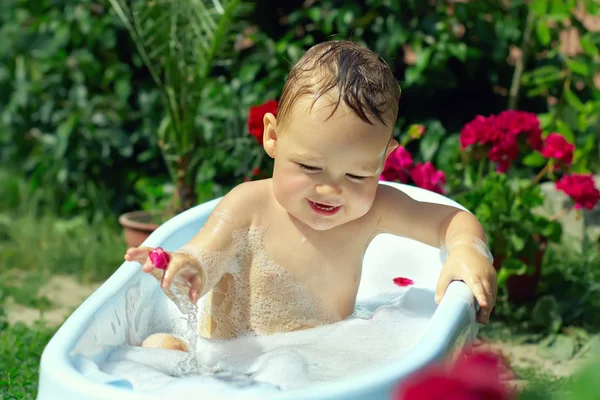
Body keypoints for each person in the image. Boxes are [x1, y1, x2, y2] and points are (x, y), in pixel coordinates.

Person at [125, 40, 497, 351]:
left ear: (384, 161)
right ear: (272, 137)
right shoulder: (248, 206)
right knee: (162, 348)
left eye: (356, 174)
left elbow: (453, 220)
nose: (330, 189)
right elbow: (205, 253)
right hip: (233, 363)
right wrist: (187, 267)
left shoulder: (374, 211)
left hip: (323, 365)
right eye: (309, 167)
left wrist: (467, 250)